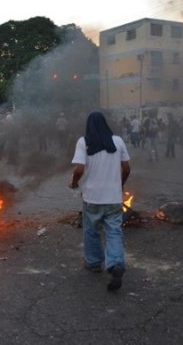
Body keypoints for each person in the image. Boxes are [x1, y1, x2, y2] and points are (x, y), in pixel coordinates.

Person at [70, 111, 130, 292]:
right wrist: (119, 184)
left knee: (91, 230)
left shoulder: (84, 142)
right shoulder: (118, 141)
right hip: (113, 198)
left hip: (92, 198)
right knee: (114, 232)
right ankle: (116, 263)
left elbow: (79, 168)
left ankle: (94, 262)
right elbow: (126, 168)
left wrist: (73, 183)